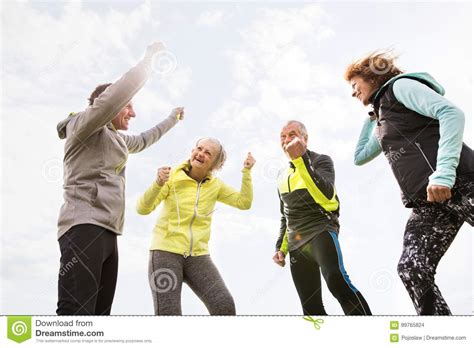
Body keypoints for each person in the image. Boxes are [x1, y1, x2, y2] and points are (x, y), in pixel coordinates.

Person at [56, 42, 184, 315]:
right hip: (83, 225)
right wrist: (149, 58)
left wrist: (172, 119)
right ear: (106, 104)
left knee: (101, 318)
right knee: (76, 314)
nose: (133, 113)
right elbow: (120, 92)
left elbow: (143, 139)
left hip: (109, 233)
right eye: (128, 106)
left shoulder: (117, 139)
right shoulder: (85, 126)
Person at [344, 50, 474, 315]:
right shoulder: (382, 117)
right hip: (427, 199)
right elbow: (359, 157)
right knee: (412, 267)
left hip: (458, 180)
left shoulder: (401, 87)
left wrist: (444, 174)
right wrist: (372, 116)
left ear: (372, 77)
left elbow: (451, 114)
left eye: (355, 85)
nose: (353, 92)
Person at [137, 138, 255, 315]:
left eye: (208, 153)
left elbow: (243, 202)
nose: (201, 154)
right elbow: (143, 209)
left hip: (198, 256)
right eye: (199, 149)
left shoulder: (216, 186)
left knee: (224, 305)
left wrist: (246, 171)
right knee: (169, 313)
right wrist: (158, 183)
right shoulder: (172, 178)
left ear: (215, 164)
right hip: (165, 253)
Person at [273, 120, 372, 315]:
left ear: (305, 139)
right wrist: (280, 248)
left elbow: (325, 195)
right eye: (283, 136)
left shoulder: (321, 160)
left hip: (320, 230)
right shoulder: (281, 175)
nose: (287, 140)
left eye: (292, 134)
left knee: (336, 280)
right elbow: (285, 215)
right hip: (296, 243)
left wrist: (301, 161)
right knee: (310, 307)